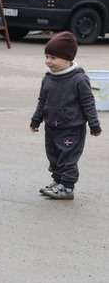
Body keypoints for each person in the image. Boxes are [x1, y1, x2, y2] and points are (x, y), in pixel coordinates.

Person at [30, 31, 101, 200]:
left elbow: (88, 102)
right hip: (52, 126)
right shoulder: (48, 78)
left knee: (67, 158)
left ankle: (68, 187)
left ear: (68, 58)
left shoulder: (78, 79)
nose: (48, 61)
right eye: (47, 56)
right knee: (53, 155)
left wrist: (94, 124)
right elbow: (42, 101)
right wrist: (36, 119)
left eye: (53, 57)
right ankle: (58, 181)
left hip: (71, 128)